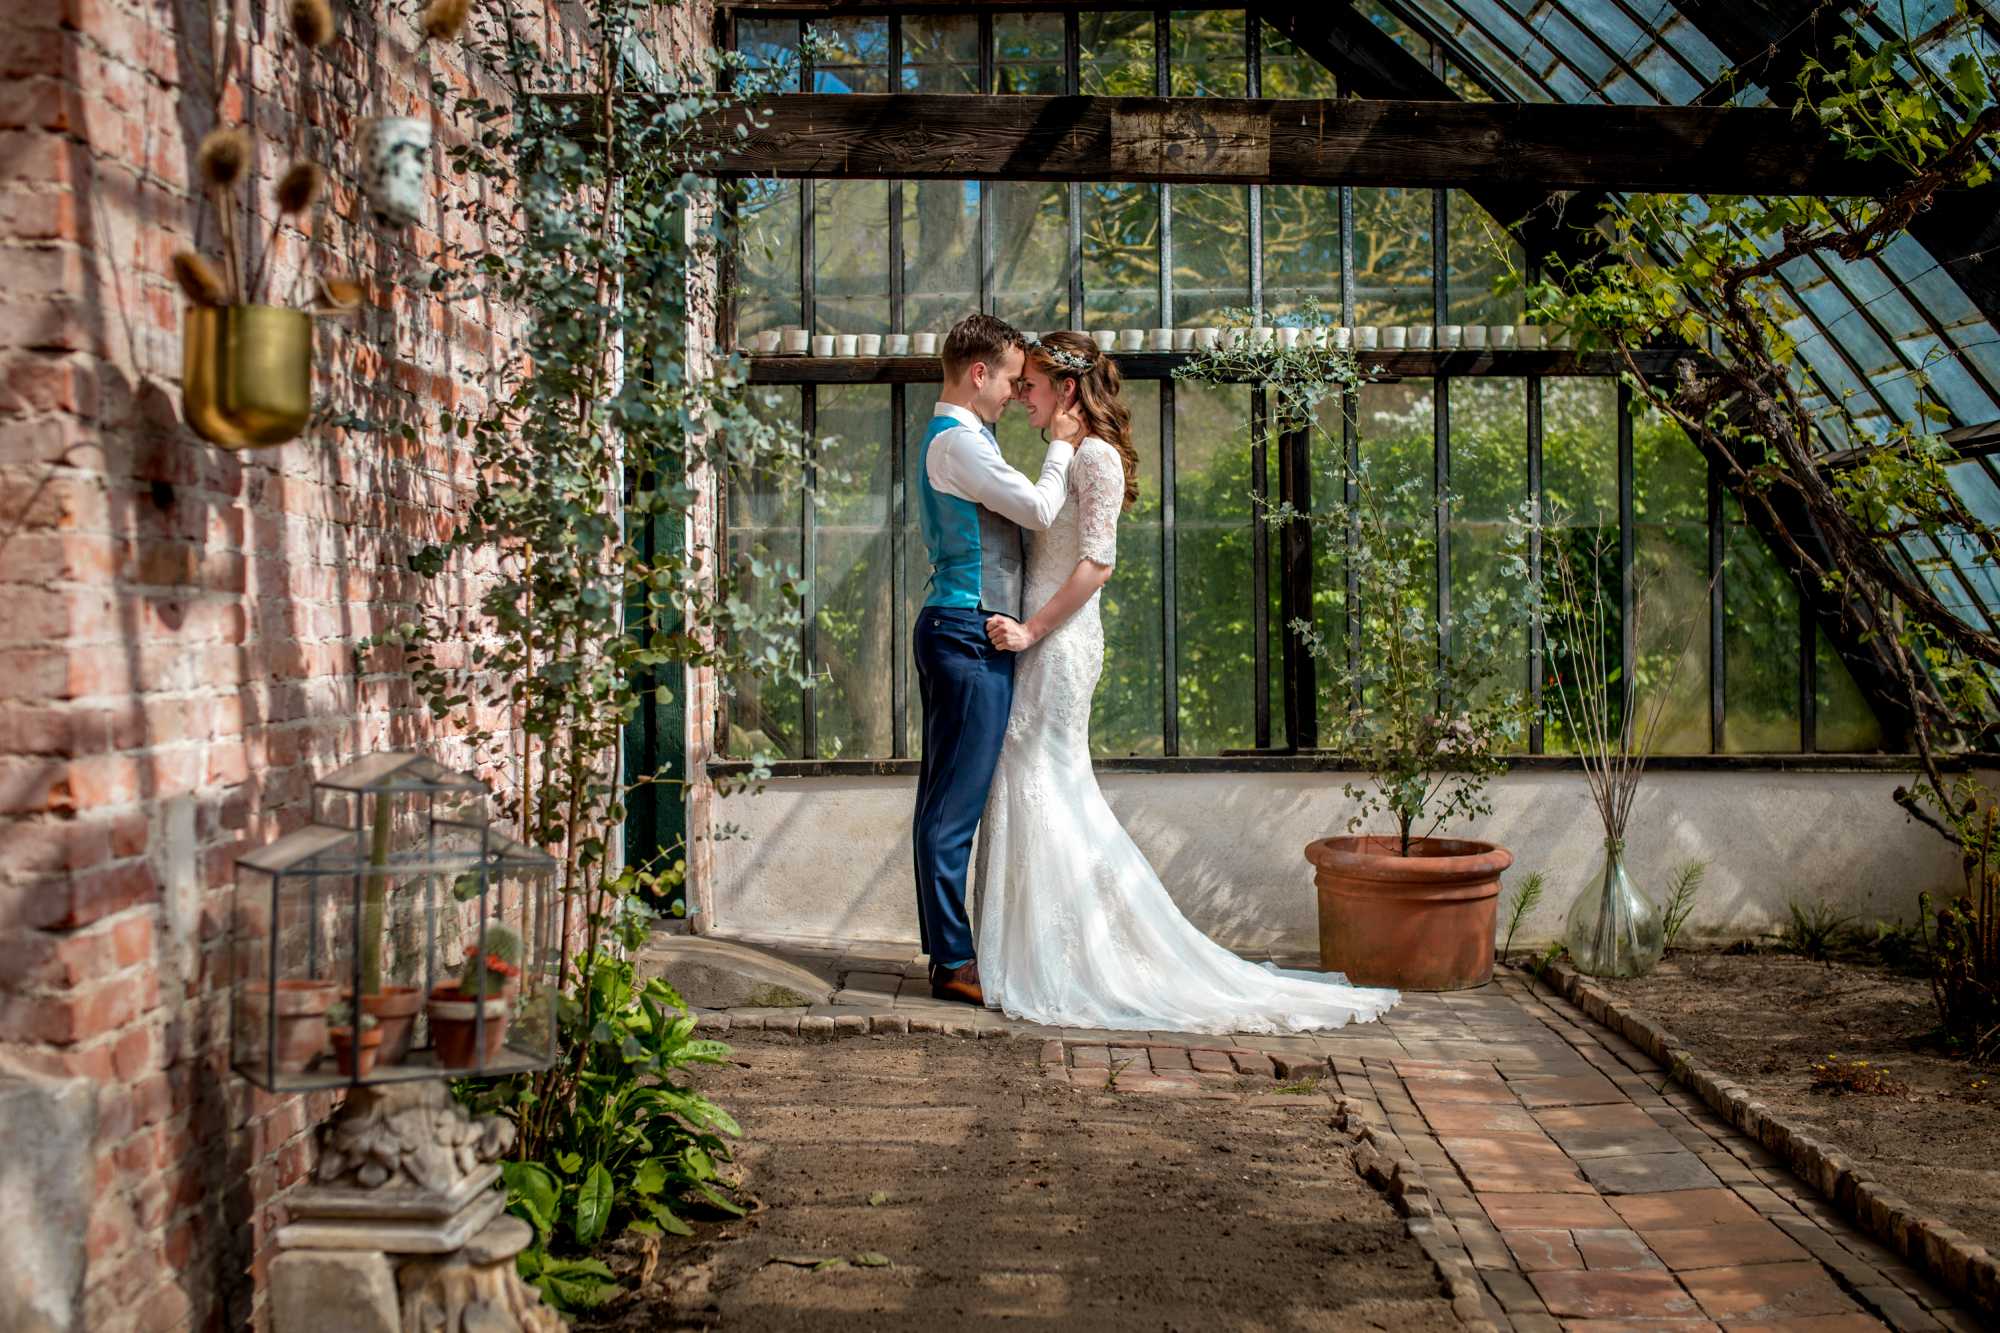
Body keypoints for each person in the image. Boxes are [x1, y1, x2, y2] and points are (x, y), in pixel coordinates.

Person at [973, 330, 1400, 1033]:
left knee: (1045, 783)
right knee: (1040, 784)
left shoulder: (1098, 459)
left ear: (1068, 390)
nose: (1022, 395)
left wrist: (1033, 630)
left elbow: (1097, 565)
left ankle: (1076, 955)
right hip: (1040, 638)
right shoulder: (1068, 456)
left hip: (1060, 641)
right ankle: (1043, 950)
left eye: (1034, 385)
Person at [910, 314, 1077, 1005]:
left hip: (962, 627)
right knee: (955, 806)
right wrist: (1064, 445)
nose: (1015, 391)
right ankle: (952, 959)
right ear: (978, 373)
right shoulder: (959, 446)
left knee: (947, 800)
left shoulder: (968, 440)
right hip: (965, 630)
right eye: (1011, 377)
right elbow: (1039, 509)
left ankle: (948, 951)